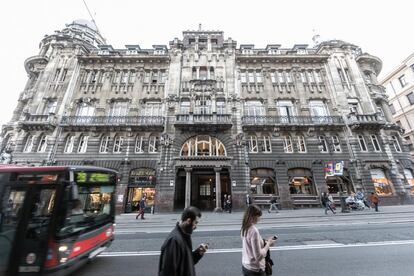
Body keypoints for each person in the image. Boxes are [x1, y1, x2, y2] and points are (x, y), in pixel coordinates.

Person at [158, 206, 208, 276]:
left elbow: (184, 264)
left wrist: (198, 253)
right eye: (195, 223)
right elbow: (168, 272)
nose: (196, 226)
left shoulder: (184, 235)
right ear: (188, 221)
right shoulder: (174, 241)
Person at [241, 205, 276, 276]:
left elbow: (250, 245)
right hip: (255, 270)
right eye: (258, 216)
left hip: (246, 266)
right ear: (253, 216)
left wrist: (265, 242)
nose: (259, 219)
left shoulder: (244, 227)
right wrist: (268, 244)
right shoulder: (254, 231)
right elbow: (258, 256)